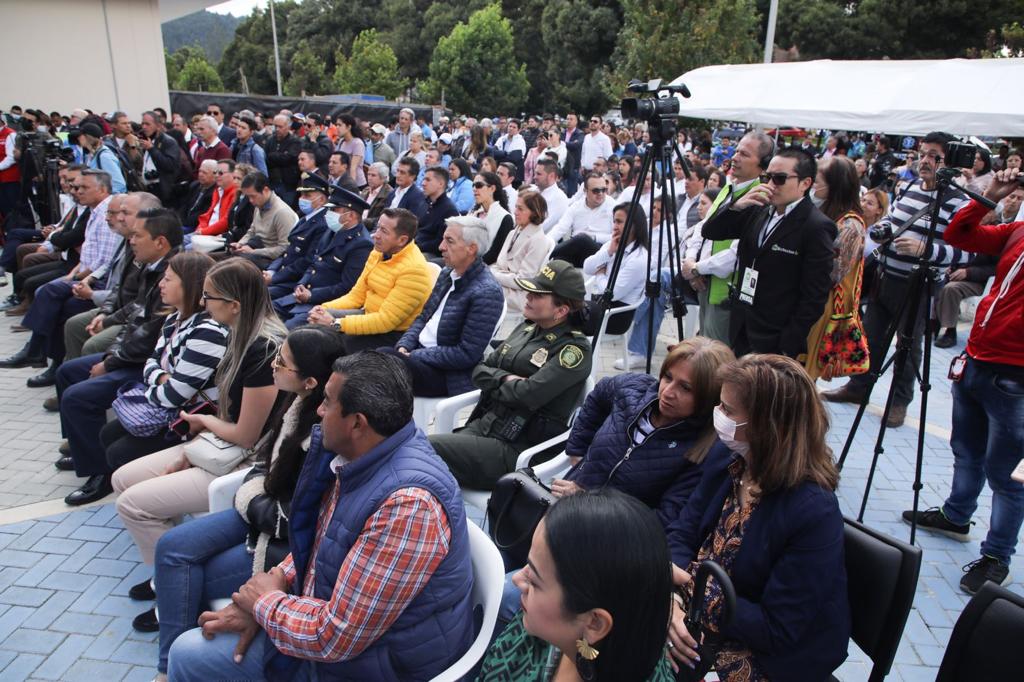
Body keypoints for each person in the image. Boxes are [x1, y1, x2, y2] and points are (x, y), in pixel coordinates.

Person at [166, 351, 474, 681]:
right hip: (346, 639)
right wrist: (278, 581)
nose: (319, 410)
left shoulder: (408, 507)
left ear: (357, 423)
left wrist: (266, 605)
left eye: (327, 402)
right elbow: (324, 543)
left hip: (378, 666)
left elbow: (338, 637)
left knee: (188, 655)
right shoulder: (363, 459)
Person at [149, 326, 346, 678]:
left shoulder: (321, 436)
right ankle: (173, 664)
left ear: (310, 382)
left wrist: (251, 494)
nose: (273, 366)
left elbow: (292, 519)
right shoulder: (294, 402)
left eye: (282, 363)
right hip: (259, 507)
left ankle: (183, 662)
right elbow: (263, 463)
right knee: (171, 547)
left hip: (278, 535)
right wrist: (253, 491)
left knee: (191, 574)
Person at [113, 258, 286, 631]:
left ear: (234, 305)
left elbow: (247, 436)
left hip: (243, 461)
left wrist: (202, 424)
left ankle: (176, 595)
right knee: (123, 478)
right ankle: (167, 574)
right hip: (218, 445)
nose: (203, 302)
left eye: (209, 296)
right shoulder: (239, 334)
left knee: (133, 505)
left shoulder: (264, 349)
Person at [666, 354, 849, 680]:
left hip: (765, 652)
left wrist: (690, 599)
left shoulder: (812, 511)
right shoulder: (729, 455)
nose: (718, 417)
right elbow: (685, 528)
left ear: (767, 427)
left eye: (728, 411)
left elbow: (777, 628)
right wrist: (671, 598)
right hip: (702, 612)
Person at [902, 168, 1024, 593]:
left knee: (1006, 475)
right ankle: (956, 515)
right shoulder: (1017, 231)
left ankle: (996, 555)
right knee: (965, 450)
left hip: (1015, 374)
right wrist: (990, 195)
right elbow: (959, 233)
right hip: (977, 360)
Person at [823, 132, 970, 427]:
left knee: (907, 346)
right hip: (886, 278)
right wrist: (883, 229)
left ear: (948, 161)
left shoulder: (959, 202)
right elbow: (893, 218)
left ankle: (899, 401)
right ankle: (858, 387)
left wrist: (925, 249)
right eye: (923, 154)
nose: (926, 161)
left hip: (918, 286)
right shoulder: (910, 186)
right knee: (871, 338)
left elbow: (966, 254)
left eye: (934, 157)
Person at [55, 208, 183, 505]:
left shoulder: (175, 271)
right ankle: (82, 449)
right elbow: (137, 312)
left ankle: (100, 474)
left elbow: (150, 336)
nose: (132, 241)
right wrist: (109, 335)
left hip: (145, 364)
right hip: (135, 354)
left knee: (78, 396)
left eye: (138, 235)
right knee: (68, 372)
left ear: (160, 241)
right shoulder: (151, 266)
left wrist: (109, 361)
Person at [479, 489, 675, 681]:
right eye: (528, 565)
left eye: (535, 581)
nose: (517, 580)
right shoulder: (531, 633)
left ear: (594, 623)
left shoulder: (540, 627)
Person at [430, 260, 593, 490]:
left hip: (517, 447)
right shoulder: (527, 329)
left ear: (561, 310)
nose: (528, 296)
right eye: (530, 291)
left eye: (538, 295)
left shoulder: (574, 351)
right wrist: (506, 378)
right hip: (486, 425)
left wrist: (496, 380)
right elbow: (479, 370)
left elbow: (528, 395)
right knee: (422, 455)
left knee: (427, 449)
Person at [555, 337, 734, 526]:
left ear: (709, 396)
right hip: (565, 504)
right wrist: (577, 450)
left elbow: (664, 518)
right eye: (667, 377)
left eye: (685, 388)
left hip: (610, 538)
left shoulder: (702, 450)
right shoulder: (634, 388)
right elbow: (598, 395)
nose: (667, 392)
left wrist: (588, 503)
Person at [96, 252, 228, 483]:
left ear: (190, 285)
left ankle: (143, 499)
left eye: (168, 279)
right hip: (168, 408)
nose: (160, 284)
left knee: (118, 452)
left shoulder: (208, 331)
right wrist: (163, 377)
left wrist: (161, 379)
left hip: (191, 420)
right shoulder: (174, 319)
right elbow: (150, 364)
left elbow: (174, 395)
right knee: (108, 434)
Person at [701, 147, 837, 358]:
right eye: (767, 177)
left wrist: (787, 344)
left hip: (775, 336)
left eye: (780, 179)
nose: (771, 184)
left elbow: (815, 296)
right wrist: (736, 206)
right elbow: (710, 231)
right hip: (742, 323)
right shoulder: (759, 209)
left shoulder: (816, 226)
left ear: (805, 183)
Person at [386, 216, 503, 397]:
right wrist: (405, 344)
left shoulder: (487, 292)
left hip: (447, 374)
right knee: (370, 360)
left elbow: (466, 354)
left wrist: (415, 355)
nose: (441, 247)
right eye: (443, 239)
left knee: (379, 365)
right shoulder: (448, 273)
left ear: (471, 248)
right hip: (418, 354)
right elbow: (424, 317)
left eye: (449, 241)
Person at [307, 207, 432, 353]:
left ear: (402, 240)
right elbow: (356, 296)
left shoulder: (414, 270)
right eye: (377, 227)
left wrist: (335, 324)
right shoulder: (378, 252)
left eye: (384, 231)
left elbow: (385, 321)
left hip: (392, 334)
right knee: (311, 325)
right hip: (368, 315)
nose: (375, 235)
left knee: (331, 345)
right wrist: (325, 308)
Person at [803, 156, 867, 381]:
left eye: (818, 179)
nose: (812, 184)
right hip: (809, 299)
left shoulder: (850, 226)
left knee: (804, 371)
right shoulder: (820, 211)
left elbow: (831, 273)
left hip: (821, 304)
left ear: (835, 186)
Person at [275, 186, 373, 330]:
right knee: (265, 311)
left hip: (324, 304)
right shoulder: (331, 231)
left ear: (351, 215)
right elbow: (314, 263)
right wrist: (301, 285)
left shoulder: (361, 244)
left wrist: (311, 295)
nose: (329, 214)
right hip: (303, 296)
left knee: (287, 330)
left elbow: (347, 287)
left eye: (334, 210)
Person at [581, 202, 650, 335]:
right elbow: (587, 267)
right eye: (614, 221)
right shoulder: (613, 243)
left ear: (634, 225)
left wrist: (600, 275)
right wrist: (608, 252)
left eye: (619, 222)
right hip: (600, 303)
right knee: (563, 306)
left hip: (616, 315)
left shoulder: (639, 258)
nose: (615, 227)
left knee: (568, 314)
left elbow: (612, 294)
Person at [492, 190, 553, 312]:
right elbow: (499, 263)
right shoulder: (513, 232)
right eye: (515, 207)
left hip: (518, 295)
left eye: (520, 209)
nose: (515, 212)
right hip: (503, 284)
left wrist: (493, 275)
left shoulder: (538, 240)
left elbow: (524, 281)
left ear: (534, 212)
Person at [230, 172, 299, 269]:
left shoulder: (282, 212)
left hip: (270, 262)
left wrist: (253, 252)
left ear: (265, 190)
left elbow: (285, 248)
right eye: (248, 197)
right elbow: (252, 231)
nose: (250, 200)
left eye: (253, 196)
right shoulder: (259, 205)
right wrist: (240, 244)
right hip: (254, 252)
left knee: (231, 266)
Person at [549, 173, 615, 267]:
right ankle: (544, 252)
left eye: (604, 190)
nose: (600, 193)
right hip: (575, 248)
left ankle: (547, 253)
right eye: (596, 190)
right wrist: (546, 242)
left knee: (582, 238)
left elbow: (616, 238)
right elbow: (560, 228)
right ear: (585, 191)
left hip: (599, 251)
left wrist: (594, 237)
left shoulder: (613, 207)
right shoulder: (576, 206)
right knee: (557, 261)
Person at [415, 165, 460, 258]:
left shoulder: (449, 210)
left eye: (428, 180)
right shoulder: (424, 202)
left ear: (441, 184)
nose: (423, 183)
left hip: (431, 254)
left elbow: (440, 243)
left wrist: (414, 247)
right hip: (415, 246)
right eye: (423, 179)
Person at [471, 171, 514, 265]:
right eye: (473, 185)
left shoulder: (505, 218)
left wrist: (469, 264)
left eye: (478, 185)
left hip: (485, 268)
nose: (474, 189)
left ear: (492, 188)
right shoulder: (474, 212)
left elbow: (495, 254)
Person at [264, 115, 302, 209]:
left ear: (288, 127)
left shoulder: (295, 141)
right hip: (272, 183)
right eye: (275, 126)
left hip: (288, 185)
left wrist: (273, 156)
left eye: (280, 126)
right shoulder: (270, 140)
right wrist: (280, 156)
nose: (277, 129)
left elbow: (289, 158)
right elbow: (265, 158)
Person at [533, 158, 569, 233]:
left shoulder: (560, 199)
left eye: (539, 174)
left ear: (551, 176)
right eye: (535, 173)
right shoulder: (533, 191)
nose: (535, 177)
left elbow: (543, 227)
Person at [387, 157, 428, 221]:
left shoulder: (417, 197)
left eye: (402, 172)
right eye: (398, 171)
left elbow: (410, 225)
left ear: (412, 176)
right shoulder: (391, 193)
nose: (397, 175)